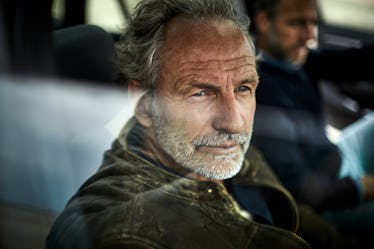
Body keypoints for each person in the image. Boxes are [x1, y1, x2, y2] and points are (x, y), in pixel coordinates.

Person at [45, 0, 314, 248]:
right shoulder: (123, 232)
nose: (233, 122)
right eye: (200, 93)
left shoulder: (216, 146)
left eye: (243, 88)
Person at [246, 0, 374, 233]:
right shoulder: (259, 93)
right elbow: (302, 192)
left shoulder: (293, 59)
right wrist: (362, 187)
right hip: (329, 202)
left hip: (335, 157)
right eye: (296, 23)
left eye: (313, 22)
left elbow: (349, 62)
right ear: (264, 22)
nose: (309, 36)